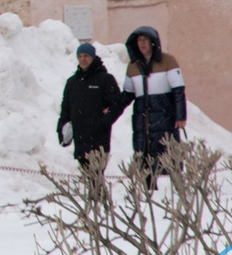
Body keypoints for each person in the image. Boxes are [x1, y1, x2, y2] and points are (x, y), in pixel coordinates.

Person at [121, 25, 187, 189]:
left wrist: (180, 116)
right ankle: (148, 193)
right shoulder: (133, 66)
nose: (142, 44)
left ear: (153, 42)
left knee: (170, 156)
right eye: (139, 40)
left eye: (145, 40)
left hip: (165, 117)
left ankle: (180, 192)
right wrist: (111, 108)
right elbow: (128, 94)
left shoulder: (168, 61)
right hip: (142, 121)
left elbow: (178, 91)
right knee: (145, 158)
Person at [56, 40, 128, 174]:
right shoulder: (72, 82)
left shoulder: (105, 79)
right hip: (80, 141)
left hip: (98, 142)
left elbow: (117, 105)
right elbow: (65, 109)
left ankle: (99, 196)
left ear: (93, 57)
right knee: (89, 181)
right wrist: (61, 129)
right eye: (80, 56)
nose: (82, 59)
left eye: (86, 56)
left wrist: (103, 122)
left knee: (96, 180)